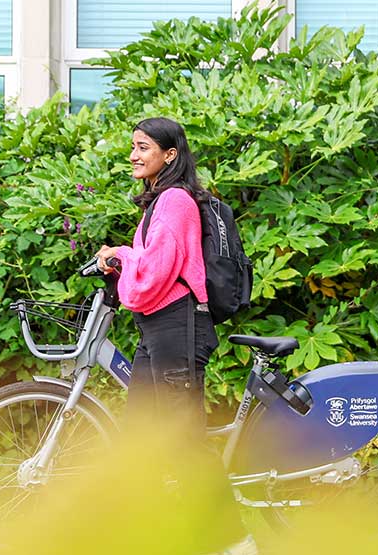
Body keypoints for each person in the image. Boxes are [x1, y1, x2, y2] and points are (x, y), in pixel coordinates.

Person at [95, 117, 254, 555]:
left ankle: (234, 543)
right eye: (133, 146)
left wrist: (119, 254)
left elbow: (152, 271)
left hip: (178, 325)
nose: (133, 155)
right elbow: (148, 270)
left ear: (169, 155)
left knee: (184, 439)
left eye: (142, 147)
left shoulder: (176, 202)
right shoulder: (157, 205)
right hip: (157, 326)